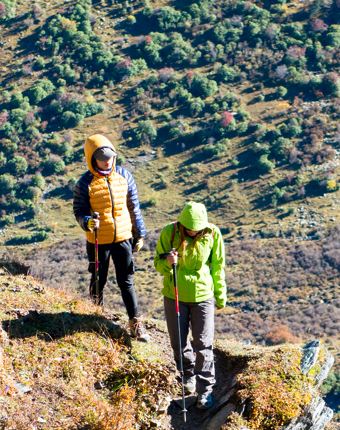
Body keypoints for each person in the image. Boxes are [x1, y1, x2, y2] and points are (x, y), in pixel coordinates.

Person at [71, 133, 148, 342]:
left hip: (123, 237)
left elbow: (134, 208)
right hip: (98, 240)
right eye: (103, 157)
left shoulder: (124, 176)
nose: (108, 161)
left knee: (127, 281)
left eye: (111, 156)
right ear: (91, 158)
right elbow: (79, 210)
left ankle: (135, 323)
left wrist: (139, 235)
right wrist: (87, 221)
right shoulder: (85, 183)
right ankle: (96, 317)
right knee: (98, 279)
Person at [153, 201, 226, 408]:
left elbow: (218, 266)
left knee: (204, 344)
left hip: (203, 296)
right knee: (178, 340)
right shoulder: (170, 232)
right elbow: (157, 263)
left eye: (197, 227)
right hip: (174, 295)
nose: (194, 230)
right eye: (190, 227)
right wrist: (168, 264)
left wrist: (220, 296)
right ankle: (187, 377)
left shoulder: (213, 233)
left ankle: (205, 391)